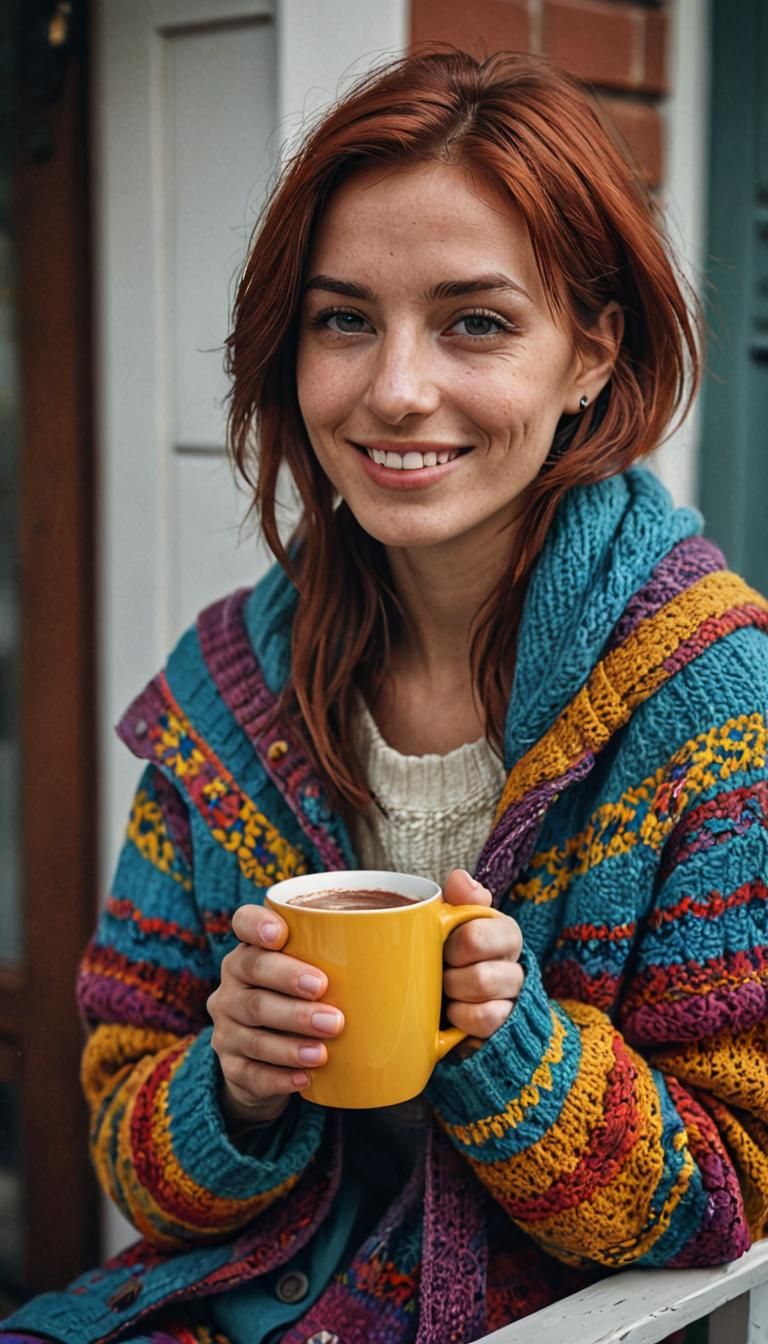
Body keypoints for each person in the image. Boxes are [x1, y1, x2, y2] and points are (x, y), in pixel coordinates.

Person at [4, 46, 768, 1344]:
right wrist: (230, 1088)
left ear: (591, 350)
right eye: (343, 318)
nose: (395, 389)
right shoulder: (221, 696)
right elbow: (129, 1154)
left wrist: (513, 1043)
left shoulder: (710, 706)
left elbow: (731, 1194)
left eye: (474, 320)